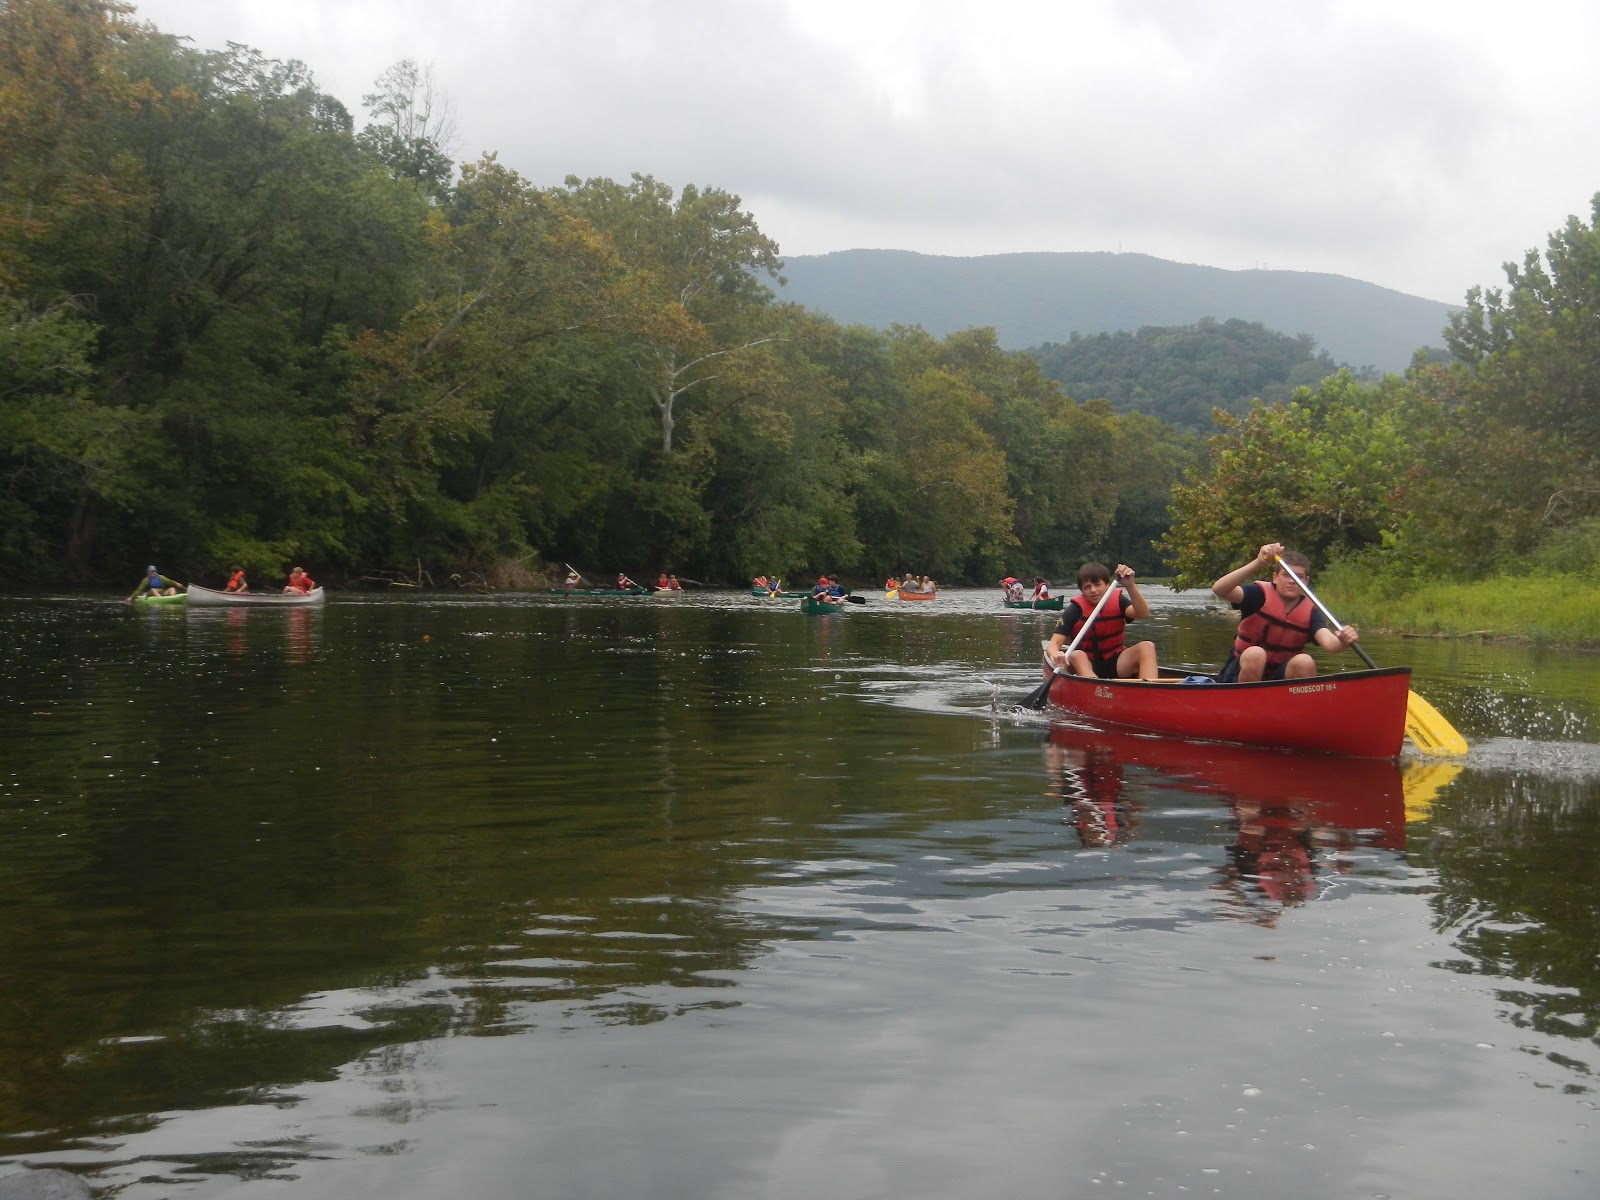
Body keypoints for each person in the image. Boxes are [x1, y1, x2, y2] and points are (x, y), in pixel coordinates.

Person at [1210, 542, 1359, 682]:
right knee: (1255, 654)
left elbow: (1330, 644)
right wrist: (1258, 563)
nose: (1292, 581)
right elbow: (1219, 589)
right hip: (1237, 674)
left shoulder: (1311, 612)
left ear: (1305, 581)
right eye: (1287, 575)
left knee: (1305, 661)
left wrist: (1343, 640)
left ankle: (1298, 701)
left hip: (1279, 677)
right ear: (1275, 577)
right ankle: (1245, 699)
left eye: (1298, 577)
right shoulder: (1258, 595)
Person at [1045, 562, 1157, 681]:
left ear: (1107, 585)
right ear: (1081, 590)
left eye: (1097, 585)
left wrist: (1130, 585)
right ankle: (1095, 687)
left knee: (1147, 646)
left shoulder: (1118, 600)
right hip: (1085, 664)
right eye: (1087, 587)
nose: (1093, 590)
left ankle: (1150, 688)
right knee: (1076, 655)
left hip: (1116, 661)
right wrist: (1055, 653)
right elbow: (1052, 645)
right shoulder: (1074, 609)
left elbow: (1143, 614)